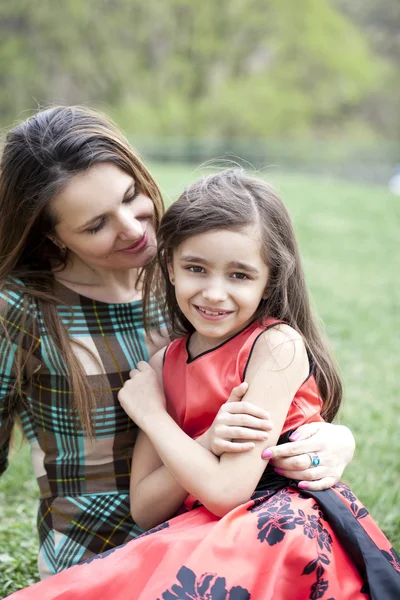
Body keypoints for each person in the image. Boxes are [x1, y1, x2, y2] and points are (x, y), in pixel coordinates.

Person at [0, 106, 355, 581]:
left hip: (220, 538)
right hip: (97, 555)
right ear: (52, 235)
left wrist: (333, 441)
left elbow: (269, 396)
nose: (132, 228)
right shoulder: (21, 309)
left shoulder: (191, 281)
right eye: (95, 225)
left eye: (131, 196)